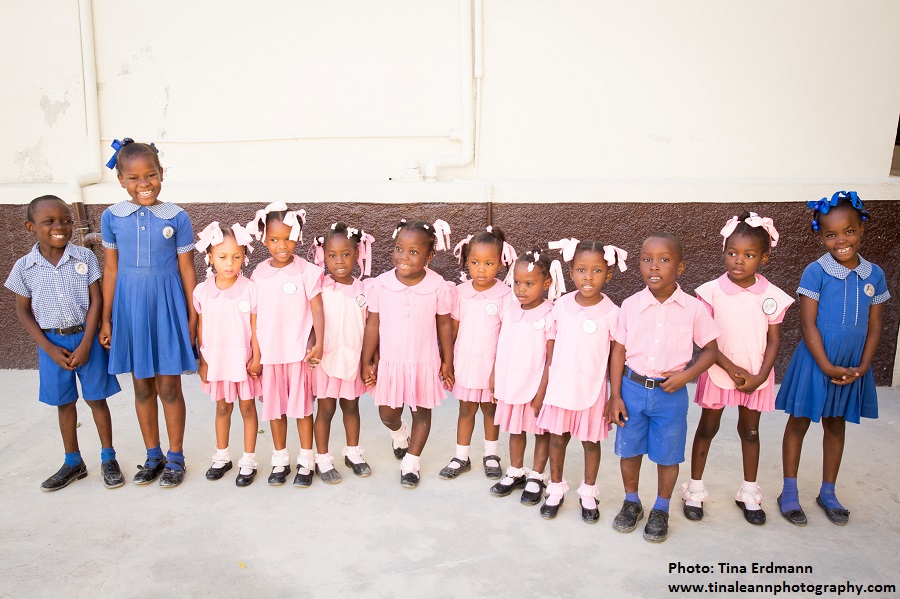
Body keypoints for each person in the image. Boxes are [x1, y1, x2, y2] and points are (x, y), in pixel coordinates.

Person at [775, 191, 889, 526]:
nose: (841, 240)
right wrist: (824, 364)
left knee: (835, 423)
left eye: (848, 231)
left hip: (853, 363)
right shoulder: (816, 271)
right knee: (799, 421)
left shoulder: (874, 274)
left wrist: (864, 365)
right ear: (822, 236)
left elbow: (875, 324)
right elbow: (807, 322)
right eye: (831, 234)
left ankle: (828, 492)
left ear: (861, 229)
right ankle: (790, 491)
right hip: (816, 361)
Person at [606, 232, 719, 543]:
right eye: (646, 260)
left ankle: (661, 507)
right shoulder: (629, 305)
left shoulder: (694, 308)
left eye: (664, 260)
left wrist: (688, 375)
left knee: (668, 454)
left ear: (680, 268)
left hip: (671, 393)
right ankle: (632, 503)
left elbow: (711, 349)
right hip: (631, 388)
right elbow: (618, 350)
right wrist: (614, 394)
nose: (654, 267)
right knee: (629, 449)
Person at [6, 195, 123, 491]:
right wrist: (47, 347)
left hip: (87, 339)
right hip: (52, 344)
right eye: (49, 222)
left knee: (97, 399)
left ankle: (109, 458)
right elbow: (22, 309)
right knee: (64, 402)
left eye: (66, 221)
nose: (60, 226)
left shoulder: (84, 257)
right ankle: (73, 462)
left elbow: (96, 300)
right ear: (30, 227)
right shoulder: (24, 267)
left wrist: (86, 343)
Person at [683, 213, 792, 525]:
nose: (738, 261)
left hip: (756, 374)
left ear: (764, 257)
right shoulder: (710, 292)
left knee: (750, 431)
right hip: (719, 371)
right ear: (724, 252)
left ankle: (748, 491)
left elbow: (774, 340)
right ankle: (694, 488)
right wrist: (730, 369)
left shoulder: (772, 296)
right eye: (732, 253)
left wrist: (760, 376)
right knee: (707, 428)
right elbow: (706, 340)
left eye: (749, 255)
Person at [99, 139, 197, 488]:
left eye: (151, 175)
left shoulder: (177, 216)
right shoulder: (112, 217)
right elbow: (110, 270)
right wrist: (107, 317)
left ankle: (175, 457)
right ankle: (152, 454)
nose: (144, 183)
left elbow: (187, 269)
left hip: (167, 308)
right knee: (142, 386)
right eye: (134, 177)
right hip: (130, 311)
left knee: (169, 386)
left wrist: (193, 313)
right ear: (122, 180)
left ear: (162, 174)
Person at [536, 239, 626, 522]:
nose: (588, 277)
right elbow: (550, 349)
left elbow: (616, 357)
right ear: (571, 272)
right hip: (561, 385)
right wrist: (543, 387)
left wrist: (615, 394)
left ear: (608, 274)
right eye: (581, 270)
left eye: (596, 271)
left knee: (590, 441)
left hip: (592, 388)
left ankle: (588, 490)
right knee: (557, 438)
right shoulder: (560, 306)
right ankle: (555, 487)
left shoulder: (613, 313)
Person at [360, 219, 456, 488]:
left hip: (423, 362)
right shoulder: (381, 285)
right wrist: (367, 359)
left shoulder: (438, 286)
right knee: (388, 414)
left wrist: (447, 359)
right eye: (399, 248)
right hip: (390, 363)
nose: (403, 256)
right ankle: (399, 433)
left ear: (429, 256)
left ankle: (411, 462)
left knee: (422, 413)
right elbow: (373, 323)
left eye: (414, 252)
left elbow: (445, 323)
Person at [247, 202, 324, 487]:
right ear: (265, 239)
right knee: (276, 409)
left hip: (297, 353)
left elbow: (317, 311)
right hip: (270, 354)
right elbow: (254, 318)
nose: (282, 245)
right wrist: (256, 354)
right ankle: (280, 457)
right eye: (275, 239)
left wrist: (318, 342)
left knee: (303, 409)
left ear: (299, 236)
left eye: (289, 237)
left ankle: (307, 459)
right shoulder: (258, 274)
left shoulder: (308, 271)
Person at [438, 226, 516, 481]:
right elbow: (453, 329)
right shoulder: (460, 294)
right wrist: (446, 361)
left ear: (500, 263)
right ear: (466, 262)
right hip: (466, 363)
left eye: (489, 263)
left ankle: (491, 455)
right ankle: (461, 455)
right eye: (475, 262)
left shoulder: (506, 295)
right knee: (466, 410)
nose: (481, 269)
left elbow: (507, 338)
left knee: (490, 412)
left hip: (491, 367)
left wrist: (499, 371)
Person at [489, 247, 563, 505]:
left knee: (540, 432)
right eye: (517, 282)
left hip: (535, 385)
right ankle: (516, 470)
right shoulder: (510, 311)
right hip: (511, 382)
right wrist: (493, 375)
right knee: (515, 429)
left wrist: (542, 391)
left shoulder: (550, 314)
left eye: (529, 283)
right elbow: (501, 345)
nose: (521, 288)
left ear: (547, 283)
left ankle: (536, 475)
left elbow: (551, 358)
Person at [193, 222, 261, 487]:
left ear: (244, 256)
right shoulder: (202, 291)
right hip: (217, 361)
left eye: (236, 256)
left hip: (242, 361)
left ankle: (248, 459)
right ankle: (222, 455)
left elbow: (256, 328)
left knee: (247, 407)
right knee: (222, 407)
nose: (230, 263)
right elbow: (201, 329)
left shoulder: (250, 288)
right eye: (222, 257)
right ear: (210, 257)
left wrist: (256, 358)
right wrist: (204, 361)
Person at [309, 222, 376, 483]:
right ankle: (322, 458)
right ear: (323, 257)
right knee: (325, 409)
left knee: (351, 406)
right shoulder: (321, 288)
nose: (339, 261)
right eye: (332, 255)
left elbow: (372, 326)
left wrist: (371, 360)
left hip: (352, 358)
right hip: (326, 358)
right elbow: (313, 322)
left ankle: (353, 453)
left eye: (346, 254)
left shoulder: (364, 290)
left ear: (357, 255)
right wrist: (312, 345)